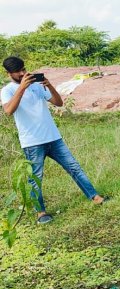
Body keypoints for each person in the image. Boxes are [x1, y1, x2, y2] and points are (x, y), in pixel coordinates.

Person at [1, 56, 107, 224]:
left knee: (74, 167)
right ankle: (40, 213)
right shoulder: (7, 90)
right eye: (18, 72)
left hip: (53, 137)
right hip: (32, 142)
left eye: (23, 69)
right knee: (35, 178)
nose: (22, 73)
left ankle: (94, 196)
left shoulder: (36, 86)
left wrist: (49, 85)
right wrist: (21, 88)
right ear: (9, 74)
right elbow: (8, 111)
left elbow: (58, 103)